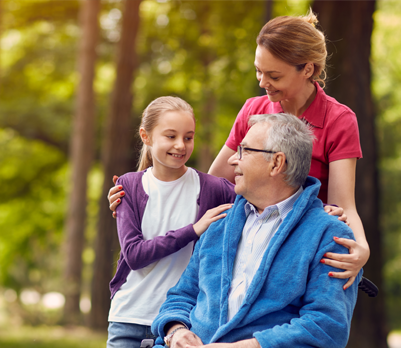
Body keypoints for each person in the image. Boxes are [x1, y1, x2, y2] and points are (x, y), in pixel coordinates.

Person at [81, 113, 360, 348]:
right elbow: (181, 295)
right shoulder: (221, 225)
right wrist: (175, 331)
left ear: (277, 163)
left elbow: (327, 325)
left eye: (245, 151)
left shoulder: (328, 234)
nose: (232, 160)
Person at [107, 10, 368, 290]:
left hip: (301, 245)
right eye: (258, 70)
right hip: (249, 244)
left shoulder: (339, 120)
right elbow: (212, 183)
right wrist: (140, 192)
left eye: (274, 75)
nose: (262, 82)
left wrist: (361, 249)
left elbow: (343, 206)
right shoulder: (253, 110)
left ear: (307, 69)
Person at [106, 96, 235, 348]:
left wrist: (321, 207)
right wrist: (194, 229)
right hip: (130, 318)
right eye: (171, 136)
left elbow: (266, 205)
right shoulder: (128, 187)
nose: (180, 145)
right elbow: (134, 255)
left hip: (181, 324)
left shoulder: (213, 188)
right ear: (146, 136)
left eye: (188, 137)